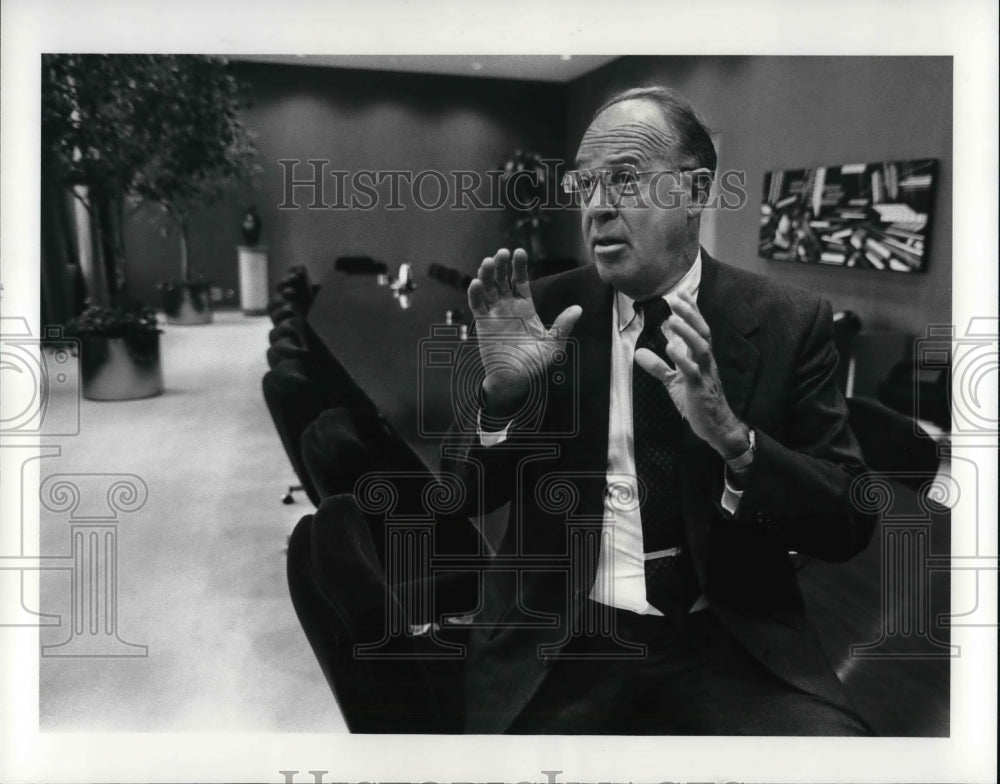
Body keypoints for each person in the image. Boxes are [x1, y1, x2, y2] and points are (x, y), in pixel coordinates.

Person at [441, 86, 877, 735]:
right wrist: (502, 399)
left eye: (625, 179)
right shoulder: (538, 313)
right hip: (564, 635)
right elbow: (461, 495)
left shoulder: (788, 322)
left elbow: (848, 523)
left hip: (728, 636)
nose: (599, 208)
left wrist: (737, 443)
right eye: (587, 185)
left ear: (696, 190)